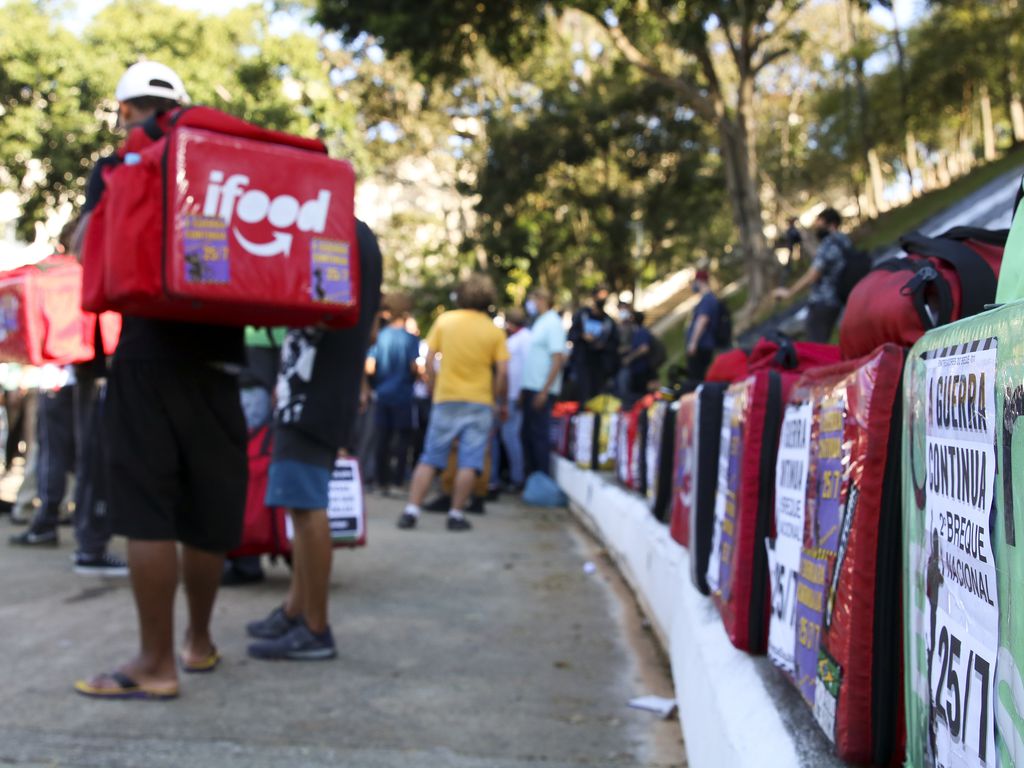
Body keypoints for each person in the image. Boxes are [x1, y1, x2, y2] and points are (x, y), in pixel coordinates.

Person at [74, 62, 248, 701]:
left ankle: (155, 663)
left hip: (147, 357)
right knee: (207, 513)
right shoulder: (216, 162)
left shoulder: (122, 164)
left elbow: (84, 249)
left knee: (149, 514)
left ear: (126, 110)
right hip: (224, 362)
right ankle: (198, 644)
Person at [246, 220, 383, 661]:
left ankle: (315, 628)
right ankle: (296, 612)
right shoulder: (347, 234)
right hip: (310, 391)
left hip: (312, 395)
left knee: (306, 509)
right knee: (301, 507)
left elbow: (321, 308)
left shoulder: (338, 235)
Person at [397, 273, 509, 532]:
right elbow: (502, 372)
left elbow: (429, 359)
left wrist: (434, 387)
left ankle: (411, 510)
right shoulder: (493, 330)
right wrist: (497, 399)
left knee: (430, 457)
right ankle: (456, 514)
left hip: (446, 398)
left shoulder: (445, 321)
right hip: (480, 401)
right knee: (470, 461)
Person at [366, 293, 419, 496]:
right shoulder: (410, 339)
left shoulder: (380, 336)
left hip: (382, 394)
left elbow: (370, 366)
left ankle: (381, 481)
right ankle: (397, 482)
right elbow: (414, 366)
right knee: (403, 440)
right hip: (403, 395)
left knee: (383, 438)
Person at [772, 207, 851, 344]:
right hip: (840, 299)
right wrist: (801, 231)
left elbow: (813, 274)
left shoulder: (828, 244)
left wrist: (789, 292)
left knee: (814, 347)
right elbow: (818, 255)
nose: (816, 227)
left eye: (820, 223)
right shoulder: (843, 241)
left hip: (823, 302)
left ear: (831, 224)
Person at [520, 288, 567, 478]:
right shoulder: (540, 322)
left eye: (534, 299)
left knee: (539, 435)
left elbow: (558, 358)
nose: (532, 303)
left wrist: (544, 391)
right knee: (528, 434)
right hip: (532, 387)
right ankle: (532, 478)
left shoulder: (553, 323)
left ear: (543, 299)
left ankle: (541, 479)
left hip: (542, 389)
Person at [489, 307, 531, 493]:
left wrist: (521, 392)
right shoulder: (514, 339)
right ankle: (494, 478)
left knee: (510, 437)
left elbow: (526, 368)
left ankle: (516, 478)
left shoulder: (524, 339)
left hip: (512, 397)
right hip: (505, 396)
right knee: (498, 437)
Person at [567, 286, 618, 403]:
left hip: (599, 366)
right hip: (582, 362)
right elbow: (571, 335)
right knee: (582, 394)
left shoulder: (608, 322)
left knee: (596, 397)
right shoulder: (582, 315)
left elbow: (614, 344)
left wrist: (602, 345)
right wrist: (582, 336)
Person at [685, 269, 722, 382]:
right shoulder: (708, 299)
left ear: (700, 281)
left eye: (695, 281)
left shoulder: (707, 300)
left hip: (702, 345)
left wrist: (693, 343)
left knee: (696, 378)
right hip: (703, 345)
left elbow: (702, 320)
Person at [621, 311, 655, 401]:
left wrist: (630, 358)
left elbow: (644, 348)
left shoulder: (642, 332)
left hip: (643, 370)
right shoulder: (636, 332)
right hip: (637, 370)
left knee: (647, 394)